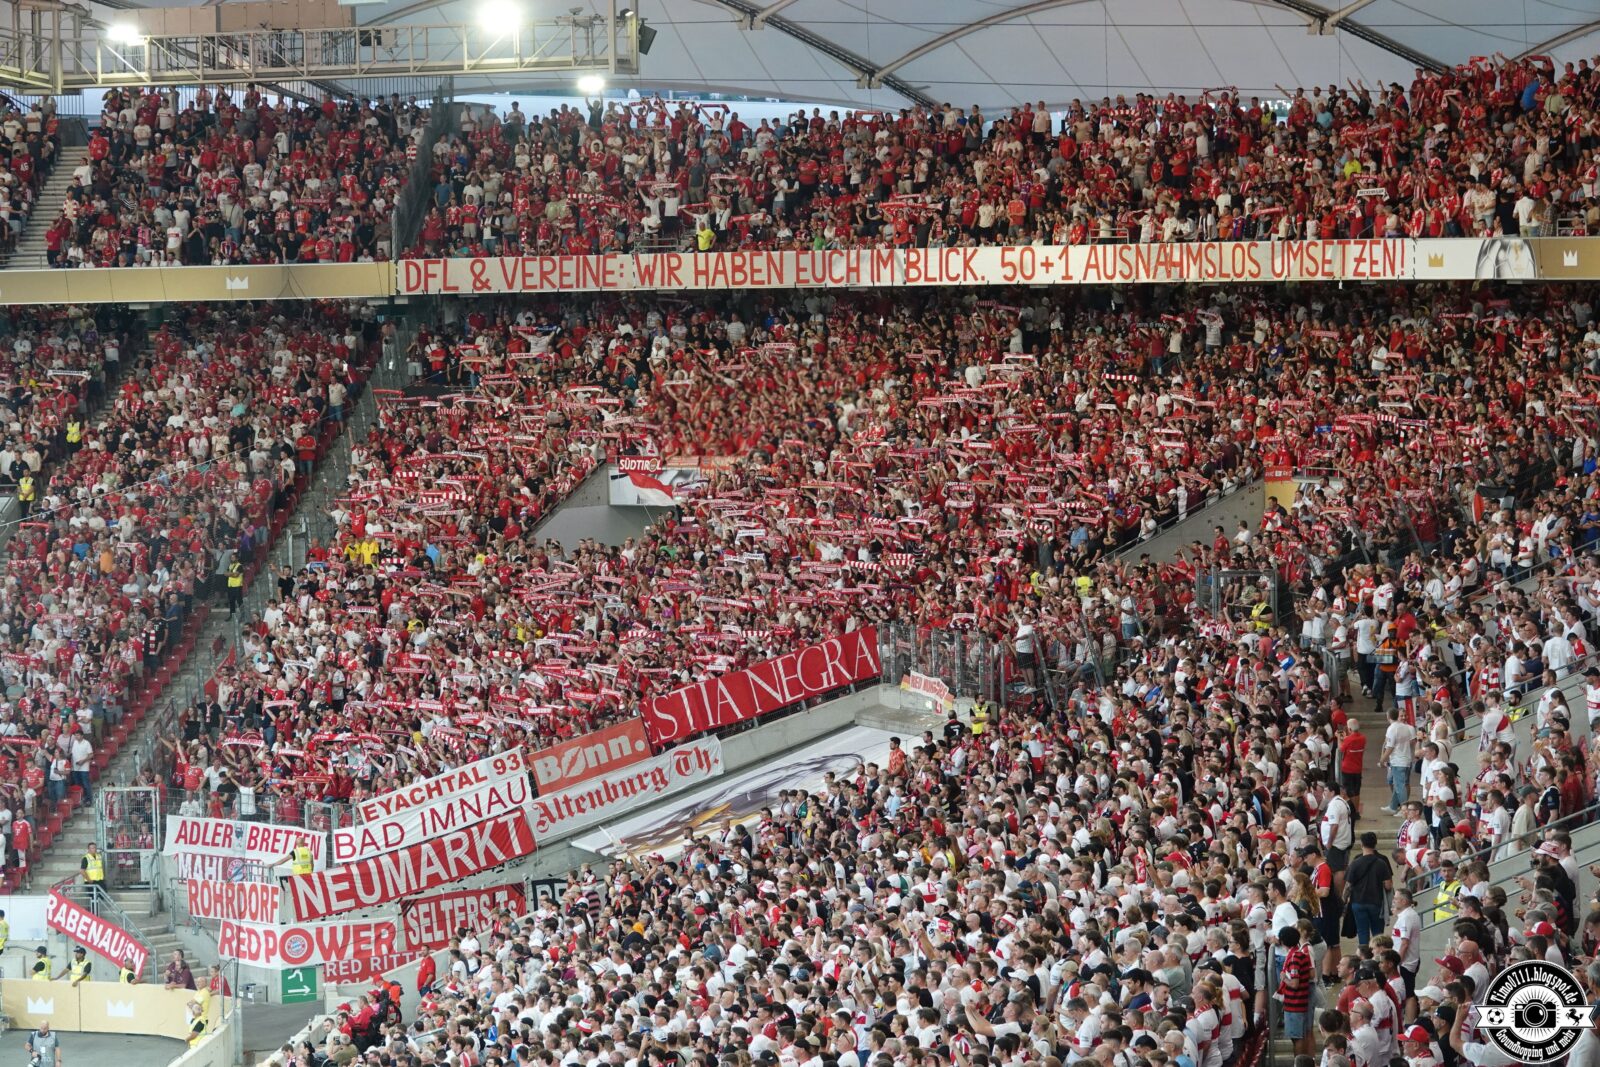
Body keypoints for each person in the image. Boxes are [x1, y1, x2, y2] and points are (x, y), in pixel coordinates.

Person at [1344, 831, 1393, 947]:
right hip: (1376, 902)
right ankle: (1378, 956)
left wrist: (1344, 900)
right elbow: (1388, 885)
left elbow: (1348, 885)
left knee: (1362, 932)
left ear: (1361, 844)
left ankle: (1364, 956)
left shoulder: (1355, 862)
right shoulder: (1382, 862)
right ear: (1375, 844)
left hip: (1358, 902)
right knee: (1377, 933)